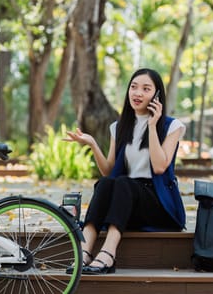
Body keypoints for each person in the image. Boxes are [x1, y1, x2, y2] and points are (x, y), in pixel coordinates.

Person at [65, 68, 186, 275]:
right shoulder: (119, 126)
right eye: (134, 87)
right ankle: (84, 250)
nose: (137, 93)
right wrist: (93, 144)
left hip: (157, 205)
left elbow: (159, 166)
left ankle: (108, 253)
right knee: (106, 184)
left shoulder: (172, 126)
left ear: (157, 96)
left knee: (123, 183)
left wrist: (152, 125)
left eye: (146, 89)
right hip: (125, 201)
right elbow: (109, 172)